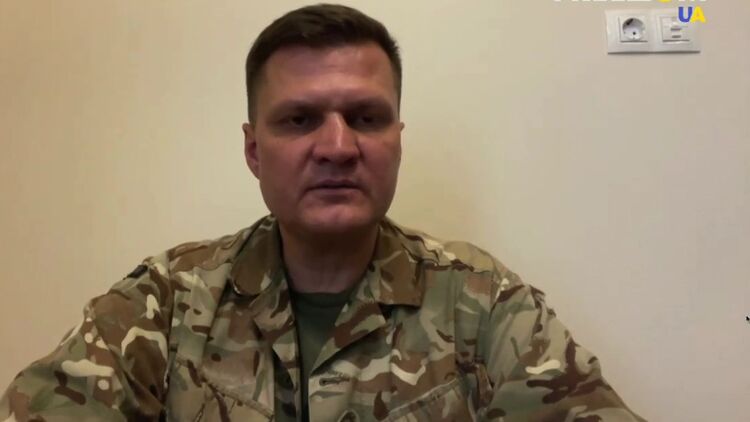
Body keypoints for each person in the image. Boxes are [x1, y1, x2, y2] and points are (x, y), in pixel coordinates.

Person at [0, 4, 644, 421]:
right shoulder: (165, 302)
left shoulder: (485, 305)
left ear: (397, 142)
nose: (338, 146)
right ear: (254, 150)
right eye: (300, 119)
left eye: (365, 117)